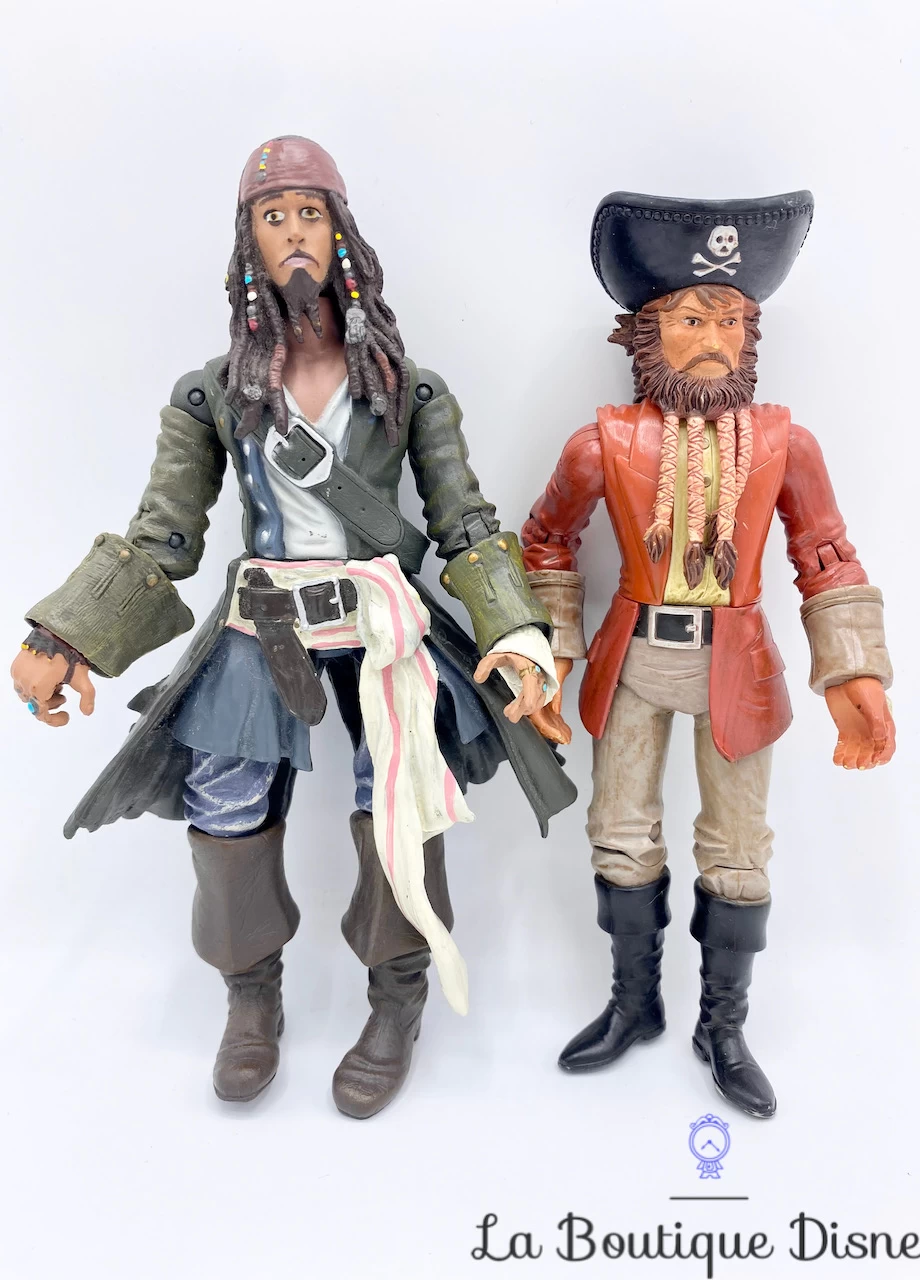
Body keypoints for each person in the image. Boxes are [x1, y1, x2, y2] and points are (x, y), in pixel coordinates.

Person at [11, 135, 575, 1119]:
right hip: (262, 621)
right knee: (224, 799)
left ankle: (396, 1001)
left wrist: (518, 635)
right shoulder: (213, 395)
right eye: (274, 217)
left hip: (381, 622)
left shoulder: (409, 389)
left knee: (398, 797)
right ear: (251, 245)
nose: (295, 231)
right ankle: (249, 996)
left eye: (310, 213)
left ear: (341, 233)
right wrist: (66, 635)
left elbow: (466, 525)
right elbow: (164, 534)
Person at [521, 190, 894, 1118]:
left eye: (731, 320)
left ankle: (723, 1025)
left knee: (738, 845)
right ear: (645, 334)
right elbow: (547, 539)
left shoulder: (783, 443)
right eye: (692, 319)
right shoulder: (603, 443)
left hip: (738, 664)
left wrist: (854, 670)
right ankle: (634, 1003)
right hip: (635, 660)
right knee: (621, 829)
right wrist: (551, 652)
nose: (715, 338)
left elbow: (825, 552)